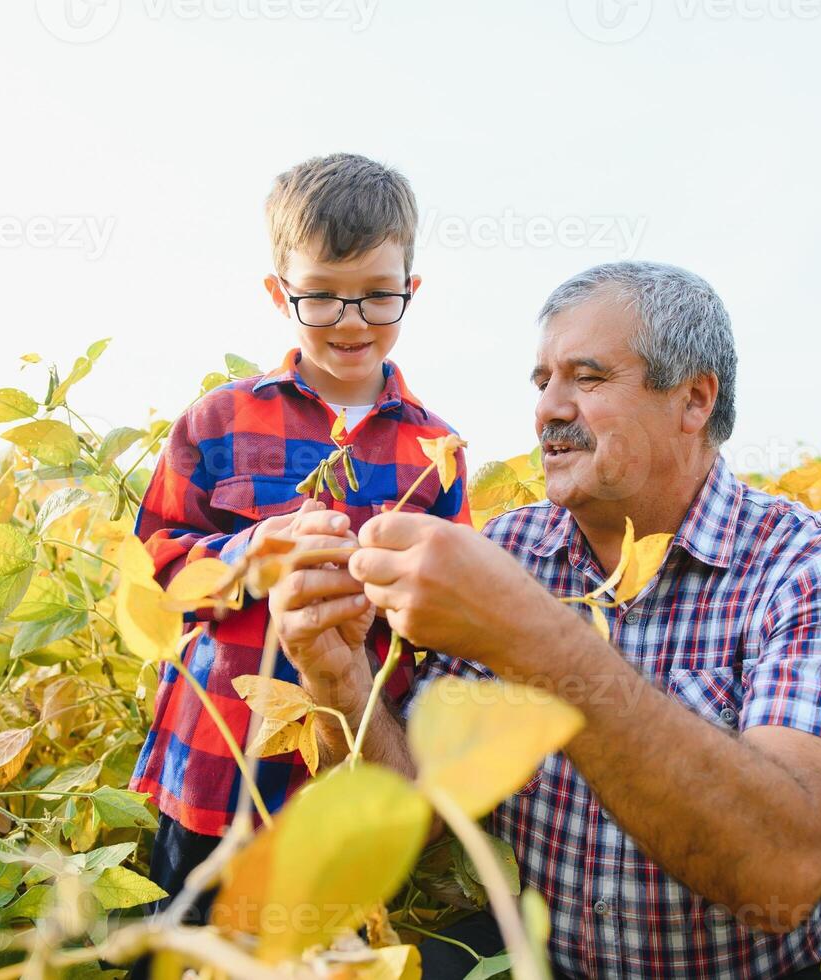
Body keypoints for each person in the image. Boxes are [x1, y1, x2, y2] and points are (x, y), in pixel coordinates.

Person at [267, 261, 821, 978]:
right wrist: (338, 678)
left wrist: (531, 634)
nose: (548, 409)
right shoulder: (506, 549)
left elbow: (785, 873)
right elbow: (415, 818)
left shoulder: (811, 568)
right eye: (541, 382)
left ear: (692, 401)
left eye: (587, 377)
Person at [128, 153, 471, 922]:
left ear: (409, 290)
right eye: (320, 297)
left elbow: (452, 621)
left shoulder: (435, 451)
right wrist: (244, 556)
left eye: (376, 296)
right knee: (186, 951)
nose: (350, 322)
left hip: (340, 780)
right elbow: (150, 566)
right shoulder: (218, 421)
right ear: (279, 292)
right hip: (215, 776)